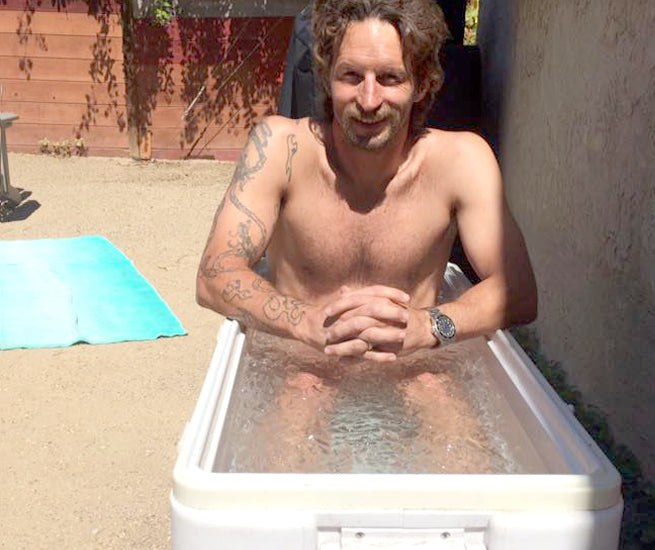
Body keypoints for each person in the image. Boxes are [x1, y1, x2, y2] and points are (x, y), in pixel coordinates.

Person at [196, 0, 536, 364]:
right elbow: (214, 274)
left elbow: (518, 292)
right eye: (351, 76)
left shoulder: (461, 161)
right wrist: (306, 323)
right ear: (327, 78)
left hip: (412, 366)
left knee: (442, 406)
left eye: (390, 77)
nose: (369, 100)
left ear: (422, 83)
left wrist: (429, 326)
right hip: (301, 364)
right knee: (301, 394)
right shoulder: (281, 150)